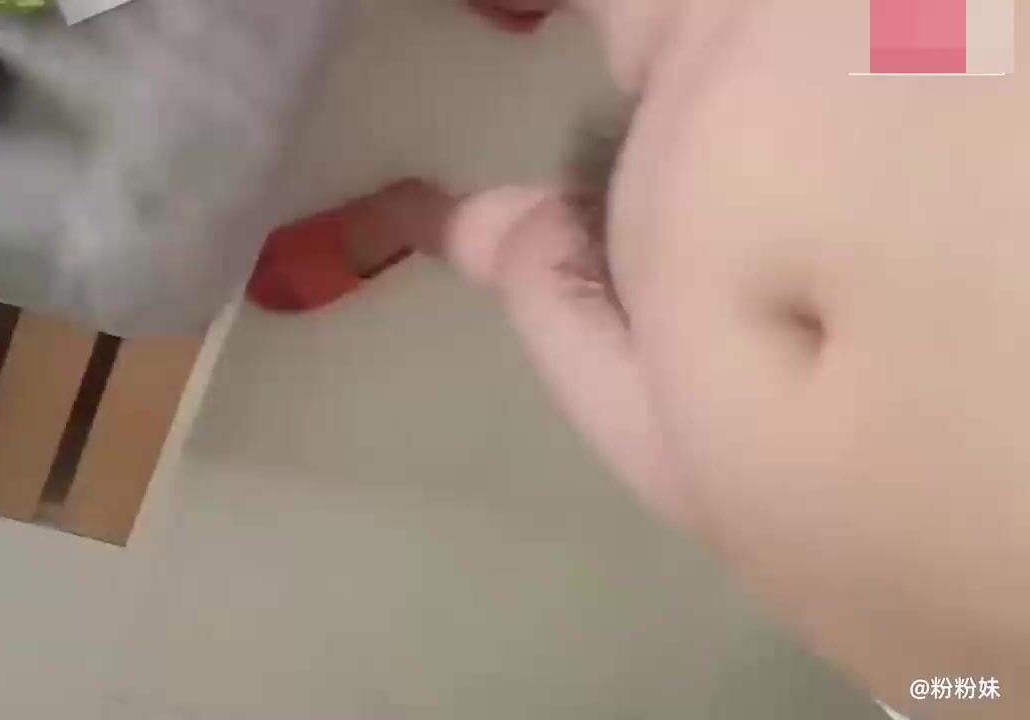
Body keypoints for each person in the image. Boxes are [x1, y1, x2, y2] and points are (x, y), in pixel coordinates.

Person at [248, 1, 1030, 717]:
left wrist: (930, 680)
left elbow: (951, 688)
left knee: (531, 260)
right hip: (905, 73)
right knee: (760, 24)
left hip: (765, 488)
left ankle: (427, 221)